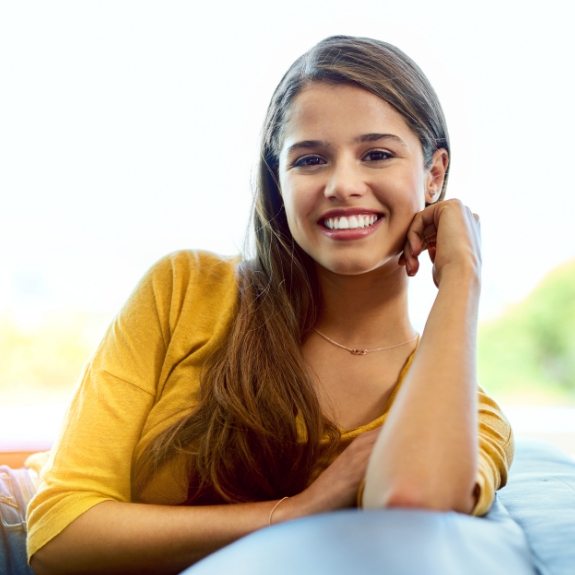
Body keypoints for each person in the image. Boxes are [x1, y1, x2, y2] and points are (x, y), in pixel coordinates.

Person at [25, 35, 513, 575]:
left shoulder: (467, 416)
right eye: (310, 160)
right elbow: (57, 534)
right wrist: (298, 511)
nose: (342, 184)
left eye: (376, 154)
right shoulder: (186, 289)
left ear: (434, 174)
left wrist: (463, 277)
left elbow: (414, 498)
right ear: (279, 181)